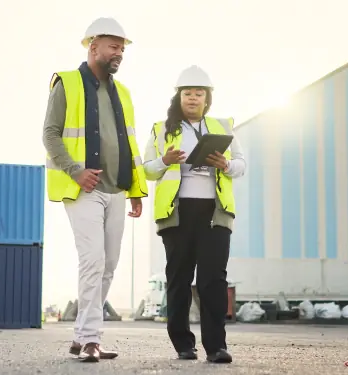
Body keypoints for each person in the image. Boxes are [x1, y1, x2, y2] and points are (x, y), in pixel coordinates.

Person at [42, 17, 148, 363]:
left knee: (110, 265)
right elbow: (51, 133)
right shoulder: (68, 83)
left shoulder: (124, 94)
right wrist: (75, 171)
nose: (119, 53)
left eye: (122, 48)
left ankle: (81, 337)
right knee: (93, 261)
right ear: (93, 46)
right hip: (83, 188)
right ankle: (90, 339)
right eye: (113, 46)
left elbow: (129, 144)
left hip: (116, 188)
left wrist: (135, 188)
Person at [142, 65, 246, 364]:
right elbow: (147, 170)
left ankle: (216, 346)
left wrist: (224, 165)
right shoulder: (162, 128)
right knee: (179, 278)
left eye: (198, 93)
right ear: (179, 96)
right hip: (177, 212)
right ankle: (183, 345)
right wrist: (165, 160)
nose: (192, 98)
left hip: (215, 212)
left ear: (207, 97)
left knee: (213, 279)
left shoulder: (223, 127)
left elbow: (241, 164)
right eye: (187, 93)